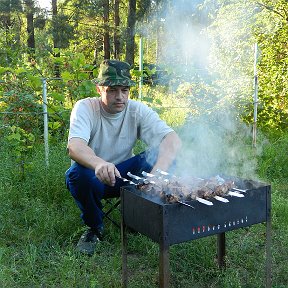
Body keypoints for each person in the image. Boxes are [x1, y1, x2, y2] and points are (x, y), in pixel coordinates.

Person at [65, 59, 181, 255]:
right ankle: (94, 227)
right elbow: (74, 146)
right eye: (112, 90)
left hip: (126, 176)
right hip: (95, 177)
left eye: (124, 90)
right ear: (99, 89)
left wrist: (156, 176)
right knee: (76, 175)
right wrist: (99, 164)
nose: (119, 97)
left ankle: (138, 218)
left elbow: (172, 140)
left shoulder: (137, 110)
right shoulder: (85, 108)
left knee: (168, 159)